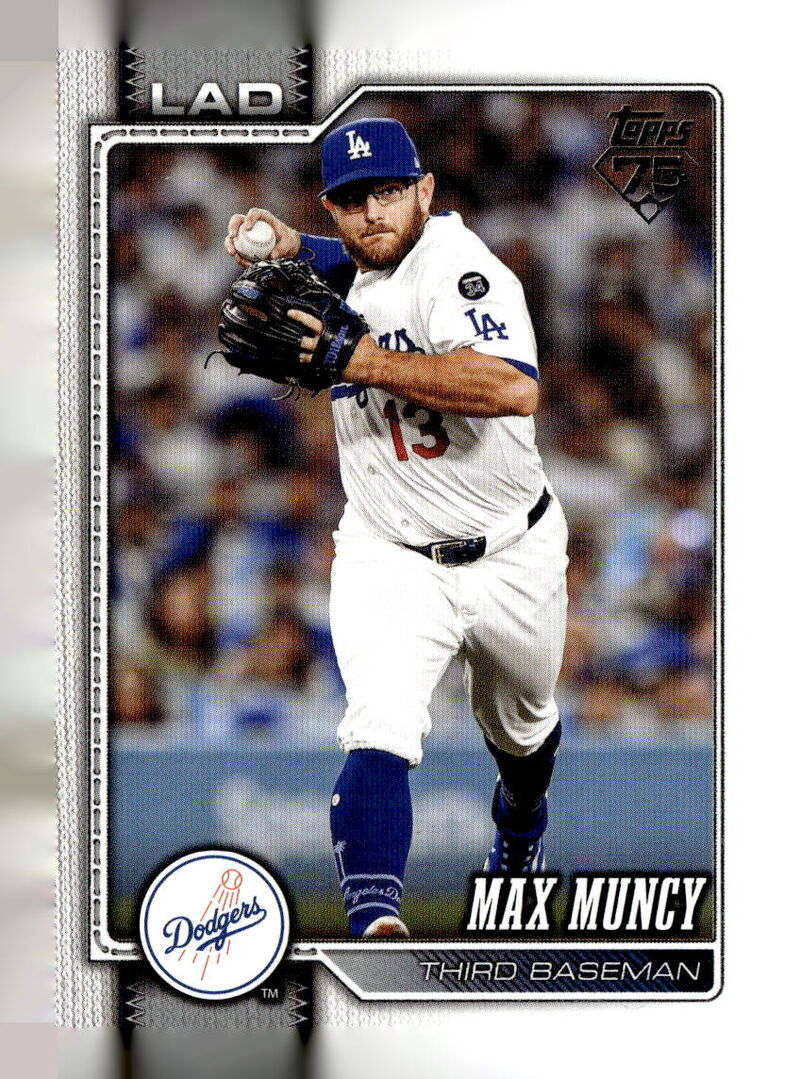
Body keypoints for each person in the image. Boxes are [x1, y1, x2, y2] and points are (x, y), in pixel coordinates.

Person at [225, 117, 569, 939]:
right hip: (389, 553)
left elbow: (513, 388)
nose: (373, 211)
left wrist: (364, 361)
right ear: (332, 208)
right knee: (378, 725)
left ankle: (520, 830)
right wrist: (291, 244)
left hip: (511, 552)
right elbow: (356, 259)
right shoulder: (357, 258)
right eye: (353, 199)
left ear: (425, 192)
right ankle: (376, 929)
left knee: (524, 734)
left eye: (388, 191)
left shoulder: (463, 268)